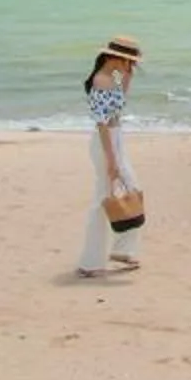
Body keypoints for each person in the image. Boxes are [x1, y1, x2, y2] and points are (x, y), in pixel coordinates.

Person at [76, 34, 146, 279]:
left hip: (117, 138)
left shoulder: (114, 76)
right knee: (103, 199)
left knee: (133, 192)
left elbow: (121, 99)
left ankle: (121, 251)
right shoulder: (100, 80)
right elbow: (102, 124)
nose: (130, 66)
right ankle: (90, 262)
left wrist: (128, 76)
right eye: (128, 61)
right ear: (114, 57)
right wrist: (112, 162)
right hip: (106, 143)